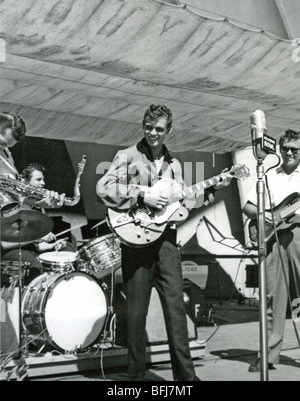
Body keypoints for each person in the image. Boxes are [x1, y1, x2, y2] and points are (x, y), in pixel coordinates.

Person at [96, 104, 232, 381]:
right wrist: (142, 196)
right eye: (149, 127)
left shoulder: (175, 164)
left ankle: (187, 378)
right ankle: (135, 376)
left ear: (169, 130)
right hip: (136, 242)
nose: (153, 133)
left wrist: (213, 188)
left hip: (167, 242)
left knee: (176, 310)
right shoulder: (127, 156)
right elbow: (104, 188)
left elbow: (180, 207)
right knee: (136, 313)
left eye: (159, 129)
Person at [243, 128, 300, 372]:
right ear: (279, 149)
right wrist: (263, 214)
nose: (289, 152)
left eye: (294, 149)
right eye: (285, 148)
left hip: (298, 233)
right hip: (273, 236)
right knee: (270, 298)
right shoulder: (267, 175)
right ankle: (268, 355)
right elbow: (247, 206)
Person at [0, 112, 66, 285]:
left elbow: (15, 196)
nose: (3, 149)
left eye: (7, 146)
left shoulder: (6, 155)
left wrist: (38, 202)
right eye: (1, 143)